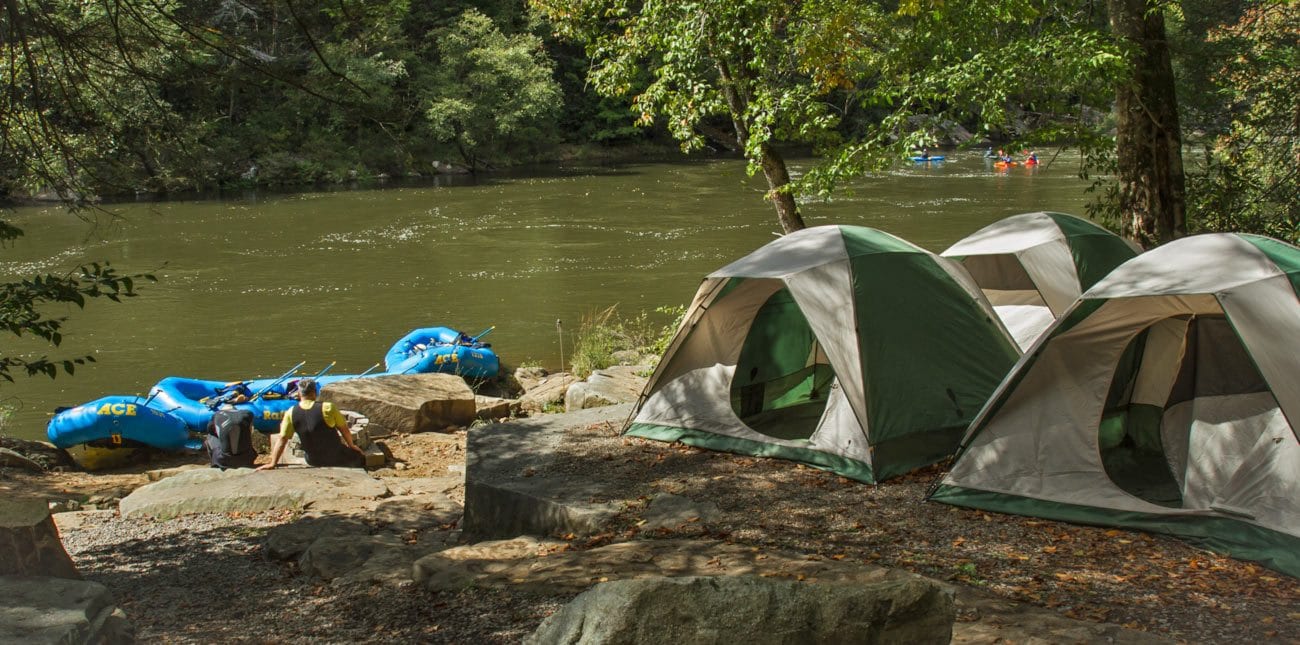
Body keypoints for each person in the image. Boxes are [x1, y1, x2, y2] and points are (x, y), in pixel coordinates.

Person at [256, 378, 365, 469]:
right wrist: (351, 445)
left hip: (313, 460)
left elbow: (282, 439)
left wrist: (273, 463)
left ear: (299, 394)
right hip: (336, 457)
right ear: (314, 392)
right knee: (359, 456)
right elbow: (344, 428)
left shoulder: (290, 412)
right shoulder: (328, 407)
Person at [206, 405, 256, 469]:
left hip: (223, 461)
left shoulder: (217, 414)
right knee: (246, 433)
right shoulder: (248, 414)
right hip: (247, 459)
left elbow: (210, 430)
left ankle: (215, 462)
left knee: (210, 436)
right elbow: (251, 431)